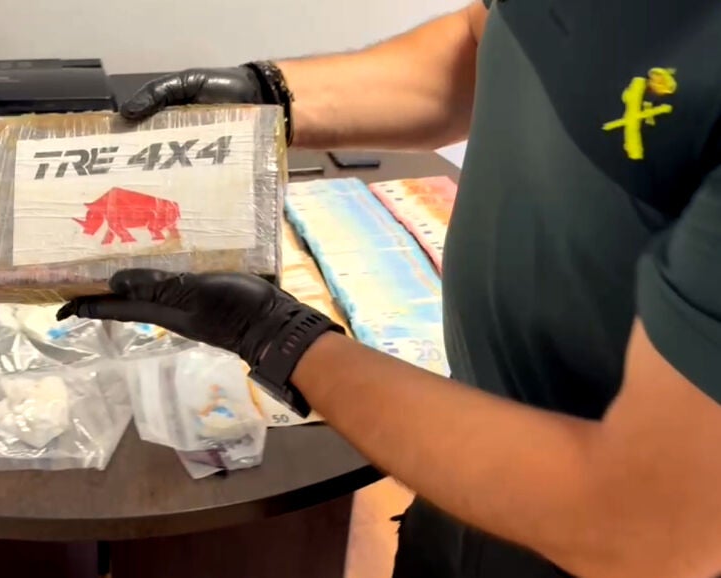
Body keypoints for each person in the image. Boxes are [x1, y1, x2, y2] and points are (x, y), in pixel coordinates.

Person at [58, 1, 721, 576]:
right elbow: (483, 43)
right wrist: (269, 97)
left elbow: (644, 529)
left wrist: (282, 340)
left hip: (589, 535)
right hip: (467, 467)